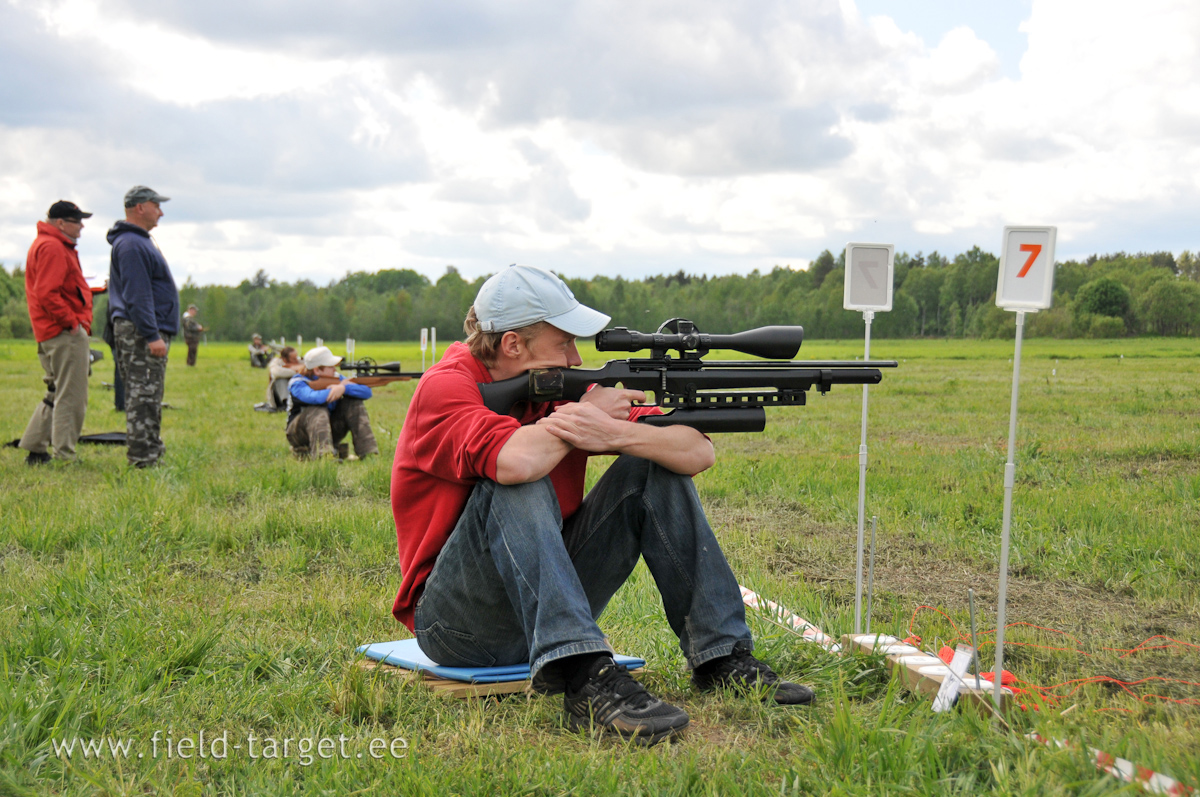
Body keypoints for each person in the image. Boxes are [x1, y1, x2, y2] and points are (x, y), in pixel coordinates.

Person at [390, 265, 813, 746]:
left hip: (544, 603)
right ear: (513, 345)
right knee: (517, 480)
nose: (575, 357)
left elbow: (698, 452)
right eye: (564, 343)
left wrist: (616, 433)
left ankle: (722, 656)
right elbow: (515, 462)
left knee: (650, 464)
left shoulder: (561, 386)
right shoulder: (446, 386)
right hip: (458, 628)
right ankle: (584, 677)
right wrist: (588, 419)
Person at [106, 185, 179, 468]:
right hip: (141, 332)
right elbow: (138, 295)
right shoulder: (132, 244)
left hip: (144, 330)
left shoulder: (138, 241)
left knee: (149, 392)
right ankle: (142, 458)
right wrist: (151, 334)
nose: (160, 211)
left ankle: (151, 451)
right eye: (156, 205)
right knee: (143, 394)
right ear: (139, 207)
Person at [17, 200, 95, 464]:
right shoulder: (53, 247)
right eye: (77, 221)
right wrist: (72, 324)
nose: (82, 226)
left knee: (55, 392)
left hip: (50, 330)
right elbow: (47, 293)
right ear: (61, 223)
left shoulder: (48, 244)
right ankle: (65, 455)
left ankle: (35, 448)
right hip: (63, 333)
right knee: (71, 395)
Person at [286, 346, 379, 459]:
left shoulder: (336, 378)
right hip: (299, 434)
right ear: (317, 370)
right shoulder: (297, 383)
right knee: (317, 409)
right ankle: (324, 457)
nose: (335, 370)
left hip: (329, 430)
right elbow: (313, 398)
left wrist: (344, 389)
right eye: (331, 367)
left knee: (354, 404)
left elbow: (366, 392)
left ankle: (368, 453)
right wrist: (333, 390)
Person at [259, 346, 303, 412]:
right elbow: (276, 373)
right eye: (293, 359)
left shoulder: (298, 361)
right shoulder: (276, 362)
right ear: (284, 359)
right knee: (280, 380)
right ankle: (285, 404)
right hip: (278, 397)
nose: (296, 360)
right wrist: (296, 371)